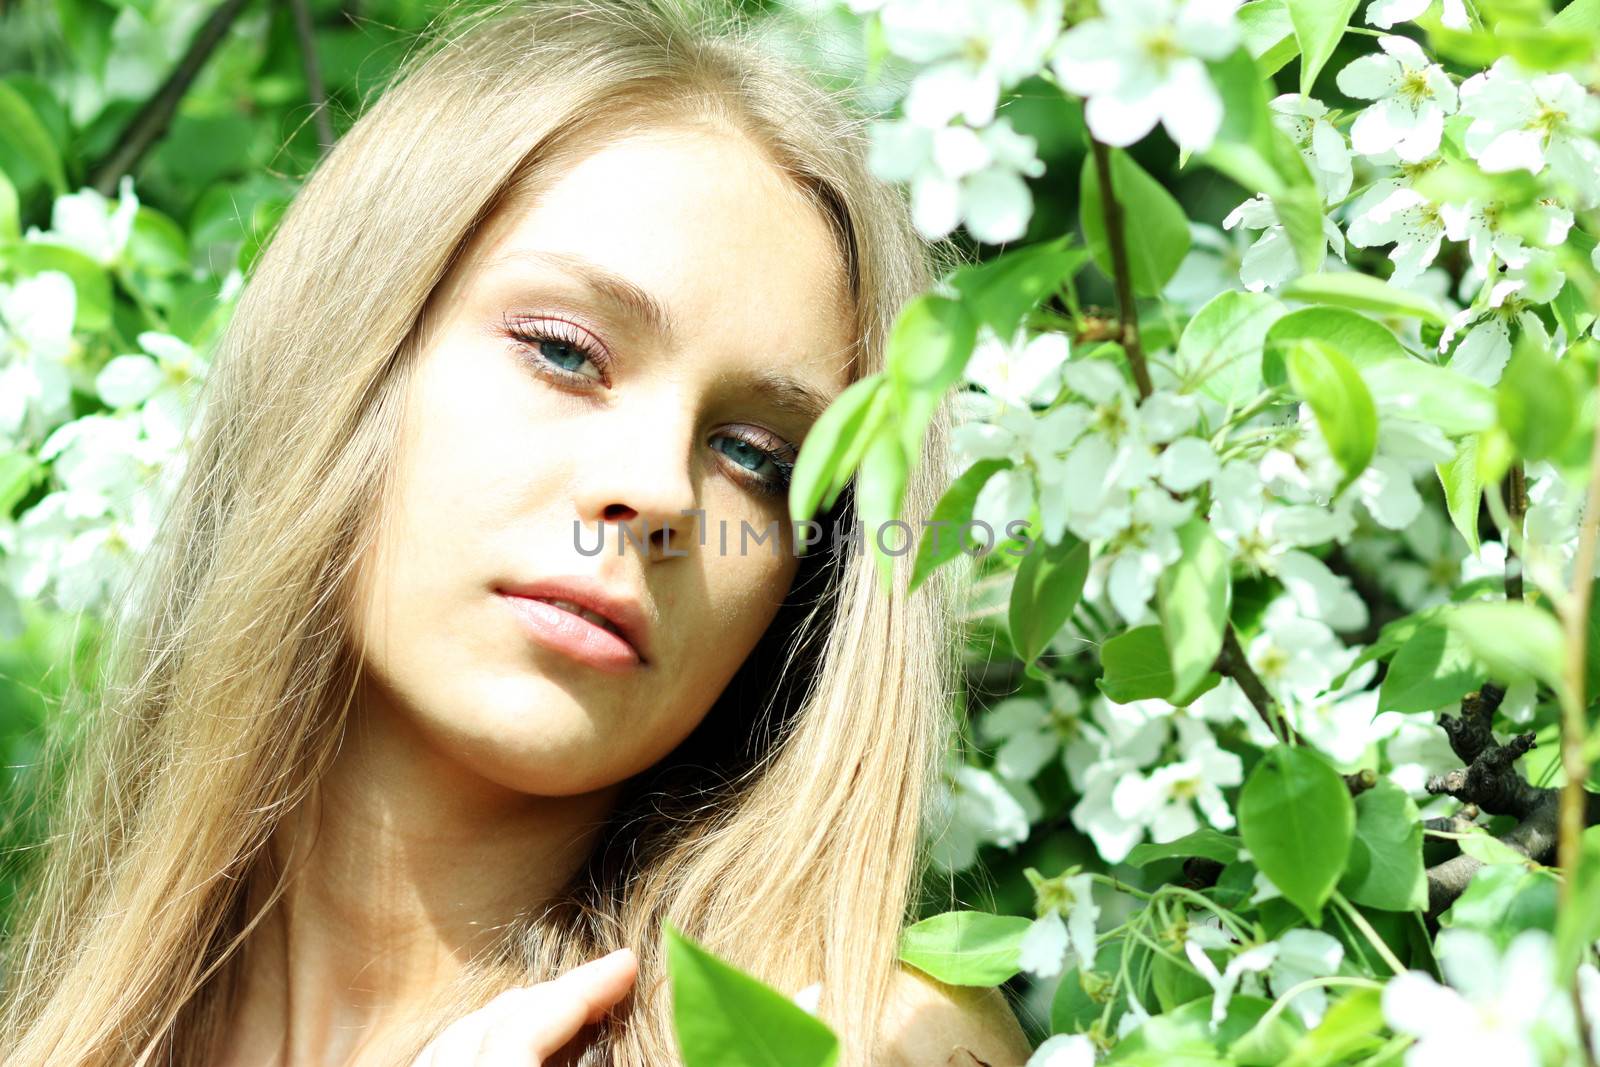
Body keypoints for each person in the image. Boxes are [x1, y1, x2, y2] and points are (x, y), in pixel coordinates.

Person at [0, 0, 1036, 1063]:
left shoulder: (855, 1035)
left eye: (758, 459)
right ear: (349, 346)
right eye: (564, 351)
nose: (657, 491)